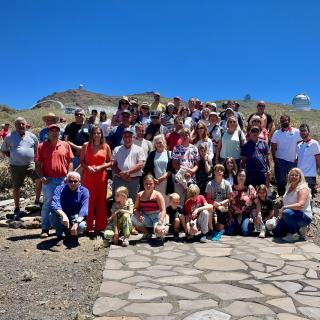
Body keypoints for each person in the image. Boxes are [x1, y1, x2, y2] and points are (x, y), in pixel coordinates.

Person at [35, 124, 73, 238]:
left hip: (63, 179)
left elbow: (70, 161)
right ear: (48, 133)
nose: (55, 132)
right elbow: (37, 164)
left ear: (59, 133)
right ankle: (45, 229)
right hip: (49, 180)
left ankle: (62, 228)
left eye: (57, 130)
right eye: (52, 131)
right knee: (47, 204)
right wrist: (41, 177)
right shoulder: (41, 146)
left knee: (63, 204)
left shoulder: (65, 145)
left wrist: (68, 176)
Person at [1, 117, 41, 219]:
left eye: (23, 124)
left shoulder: (32, 136)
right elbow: (4, 149)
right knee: (16, 187)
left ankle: (37, 202)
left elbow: (37, 149)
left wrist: (36, 160)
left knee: (39, 179)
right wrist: (13, 156)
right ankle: (17, 208)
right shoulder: (10, 136)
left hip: (31, 163)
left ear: (26, 124)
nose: (21, 126)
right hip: (16, 165)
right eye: (19, 124)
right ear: (15, 126)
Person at [80, 126, 112, 235]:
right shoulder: (86, 145)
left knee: (101, 201)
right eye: (94, 133)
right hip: (88, 176)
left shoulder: (106, 146)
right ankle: (88, 227)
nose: (96, 135)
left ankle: (101, 226)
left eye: (98, 133)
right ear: (91, 135)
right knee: (88, 200)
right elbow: (82, 161)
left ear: (101, 135)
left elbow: (110, 162)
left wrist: (101, 167)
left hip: (101, 176)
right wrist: (87, 167)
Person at [274, 168, 313, 242]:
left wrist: (284, 208)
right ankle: (297, 229)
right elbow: (286, 201)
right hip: (291, 214)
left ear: (300, 177)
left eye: (296, 175)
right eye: (292, 175)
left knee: (286, 212)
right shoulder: (288, 186)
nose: (294, 177)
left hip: (303, 216)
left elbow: (300, 205)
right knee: (277, 233)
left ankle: (294, 234)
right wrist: (280, 216)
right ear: (289, 176)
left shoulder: (303, 188)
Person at [50, 171, 89, 244]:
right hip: (62, 214)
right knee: (52, 214)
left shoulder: (84, 191)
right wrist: (64, 215)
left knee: (81, 225)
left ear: (79, 182)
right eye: (70, 181)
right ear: (67, 181)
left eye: (75, 181)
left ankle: (74, 234)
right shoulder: (59, 189)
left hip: (75, 215)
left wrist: (77, 223)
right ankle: (61, 235)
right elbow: (54, 204)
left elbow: (84, 209)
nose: (73, 183)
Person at [271, 114, 300, 196]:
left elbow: (300, 145)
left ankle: (292, 196)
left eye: (285, 120)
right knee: (281, 180)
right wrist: (274, 159)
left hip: (292, 160)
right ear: (280, 122)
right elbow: (273, 147)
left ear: (289, 121)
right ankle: (281, 197)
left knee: (293, 179)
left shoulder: (296, 131)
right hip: (280, 160)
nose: (284, 122)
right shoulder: (277, 133)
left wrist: (298, 157)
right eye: (282, 121)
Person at [112, 128, 145, 200]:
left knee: (132, 203)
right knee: (118, 202)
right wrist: (121, 174)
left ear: (133, 137)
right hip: (119, 180)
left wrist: (127, 173)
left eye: (130, 136)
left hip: (133, 180)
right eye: (125, 136)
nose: (127, 138)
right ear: (123, 137)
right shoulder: (116, 149)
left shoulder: (139, 149)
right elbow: (113, 165)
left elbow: (140, 164)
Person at [132, 175, 167, 242]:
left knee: (159, 231)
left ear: (154, 184)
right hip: (146, 217)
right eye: (146, 184)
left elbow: (163, 210)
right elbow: (135, 208)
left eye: (150, 184)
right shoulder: (139, 195)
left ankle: (159, 230)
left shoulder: (157, 195)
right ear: (143, 184)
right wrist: (138, 215)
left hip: (157, 217)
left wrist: (160, 222)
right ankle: (148, 232)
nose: (148, 186)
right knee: (131, 219)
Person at [143, 135, 174, 206]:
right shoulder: (152, 154)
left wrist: (162, 178)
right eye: (157, 143)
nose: (159, 144)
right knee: (157, 202)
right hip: (155, 183)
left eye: (160, 142)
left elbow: (171, 169)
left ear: (164, 142)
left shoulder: (170, 153)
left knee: (167, 203)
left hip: (167, 183)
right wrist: (154, 180)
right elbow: (148, 169)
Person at [206, 164, 233, 241]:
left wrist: (220, 204)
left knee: (219, 228)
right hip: (213, 206)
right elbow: (208, 199)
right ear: (214, 172)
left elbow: (229, 198)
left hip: (223, 207)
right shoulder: (210, 184)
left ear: (223, 173)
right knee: (210, 211)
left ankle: (219, 229)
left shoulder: (227, 184)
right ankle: (211, 229)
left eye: (221, 170)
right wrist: (216, 205)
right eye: (217, 170)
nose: (219, 171)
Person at [172, 128, 199, 203]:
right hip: (180, 178)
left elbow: (197, 164)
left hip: (191, 177)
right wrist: (184, 173)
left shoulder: (194, 148)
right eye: (182, 135)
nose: (184, 137)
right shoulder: (176, 149)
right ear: (180, 137)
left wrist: (191, 172)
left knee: (191, 200)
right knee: (178, 200)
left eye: (186, 135)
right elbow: (174, 164)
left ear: (189, 136)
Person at [228, 170, 257, 236]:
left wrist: (254, 216)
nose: (241, 177)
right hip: (233, 215)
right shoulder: (231, 188)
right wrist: (229, 216)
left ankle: (244, 225)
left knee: (245, 232)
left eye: (243, 176)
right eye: (239, 175)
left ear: (246, 178)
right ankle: (237, 225)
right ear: (236, 177)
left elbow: (257, 203)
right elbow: (227, 203)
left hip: (246, 215)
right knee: (230, 232)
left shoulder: (250, 188)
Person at [297, 123, 320, 197]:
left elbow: (318, 160)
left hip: (310, 176)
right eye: (301, 131)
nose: (302, 132)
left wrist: (316, 172)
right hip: (299, 176)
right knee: (300, 197)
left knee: (309, 197)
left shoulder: (314, 143)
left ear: (308, 131)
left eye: (304, 130)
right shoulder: (299, 145)